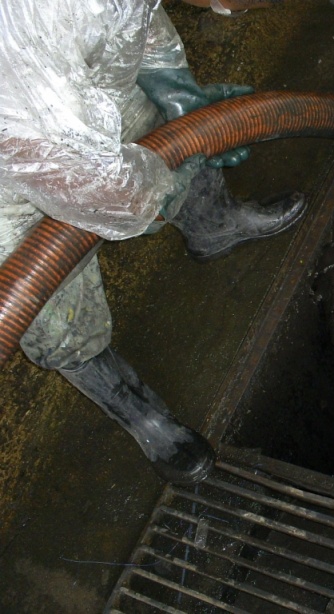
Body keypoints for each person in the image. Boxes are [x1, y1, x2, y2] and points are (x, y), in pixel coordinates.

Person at [0, 0, 306, 484]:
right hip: (11, 152)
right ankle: (137, 411)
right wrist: (156, 191)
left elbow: (131, 22)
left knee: (165, 125)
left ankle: (214, 224)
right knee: (47, 305)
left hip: (68, 84)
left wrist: (173, 85)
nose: (242, 9)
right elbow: (70, 170)